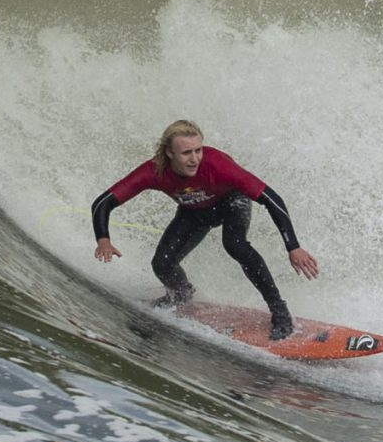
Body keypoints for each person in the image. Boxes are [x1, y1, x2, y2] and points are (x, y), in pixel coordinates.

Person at [91, 119, 319, 340]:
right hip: (194, 212)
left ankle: (279, 310)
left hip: (231, 203)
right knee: (162, 263)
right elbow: (102, 203)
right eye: (186, 153)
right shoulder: (154, 171)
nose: (194, 159)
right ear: (169, 153)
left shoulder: (218, 165)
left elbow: (272, 199)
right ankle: (181, 295)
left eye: (198, 150)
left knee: (235, 245)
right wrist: (103, 239)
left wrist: (293, 247)